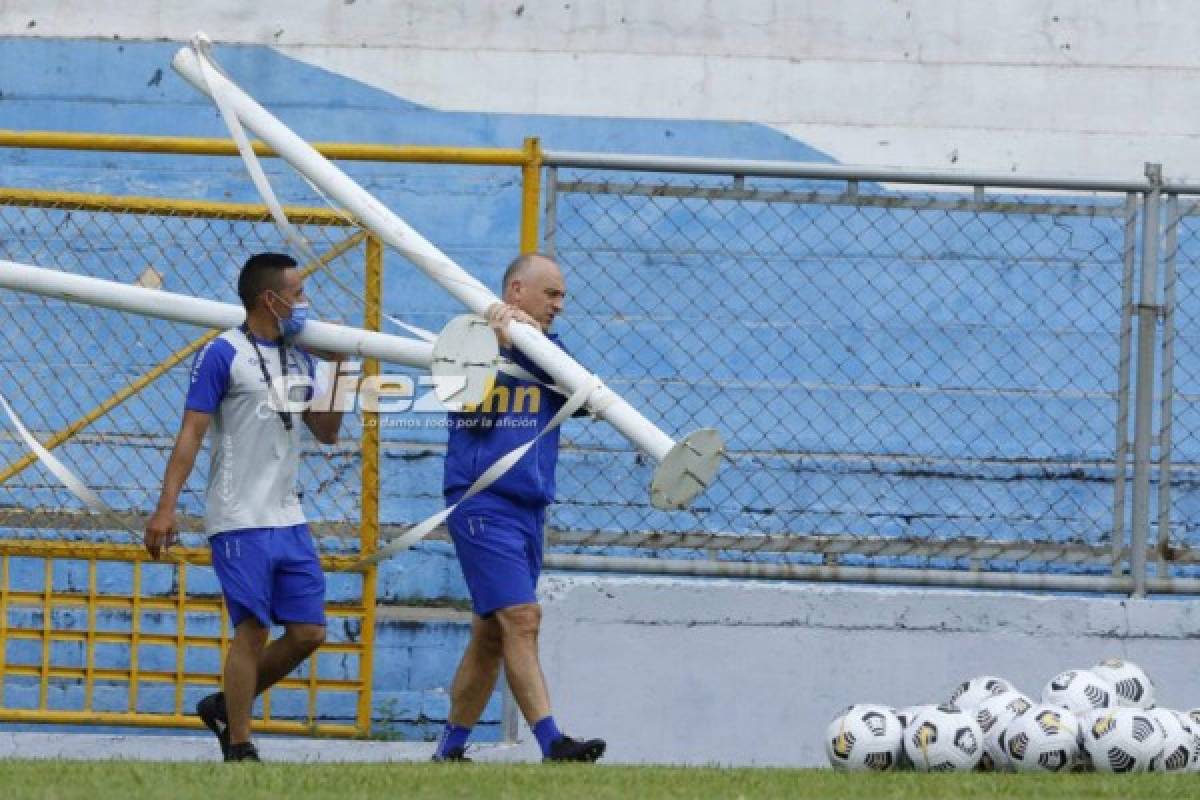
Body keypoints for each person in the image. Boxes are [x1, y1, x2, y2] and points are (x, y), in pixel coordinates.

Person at [145, 252, 345, 763]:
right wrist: (166, 508)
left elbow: (326, 432)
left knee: (308, 632)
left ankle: (223, 706)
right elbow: (190, 433)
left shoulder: (300, 355)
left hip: (287, 515)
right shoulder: (222, 353)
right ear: (269, 300)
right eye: (298, 294)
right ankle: (240, 745)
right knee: (253, 628)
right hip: (237, 518)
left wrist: (340, 365)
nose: (305, 304)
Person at [433, 252, 606, 763]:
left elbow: (590, 400)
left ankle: (449, 751)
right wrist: (503, 346)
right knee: (523, 618)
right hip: (482, 500)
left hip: (528, 509)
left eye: (561, 295)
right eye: (550, 294)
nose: (559, 304)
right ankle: (552, 742)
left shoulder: (547, 349)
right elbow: (477, 416)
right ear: (515, 291)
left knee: (491, 636)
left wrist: (536, 344)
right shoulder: (469, 341)